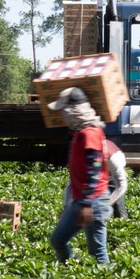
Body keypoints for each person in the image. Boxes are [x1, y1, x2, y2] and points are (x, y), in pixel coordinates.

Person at [47, 87, 127, 264]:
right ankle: (76, 271)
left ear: (74, 111)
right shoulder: (79, 133)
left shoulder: (88, 133)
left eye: (65, 110)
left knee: (98, 253)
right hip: (82, 201)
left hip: (93, 202)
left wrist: (88, 204)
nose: (63, 115)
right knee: (57, 241)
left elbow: (95, 169)